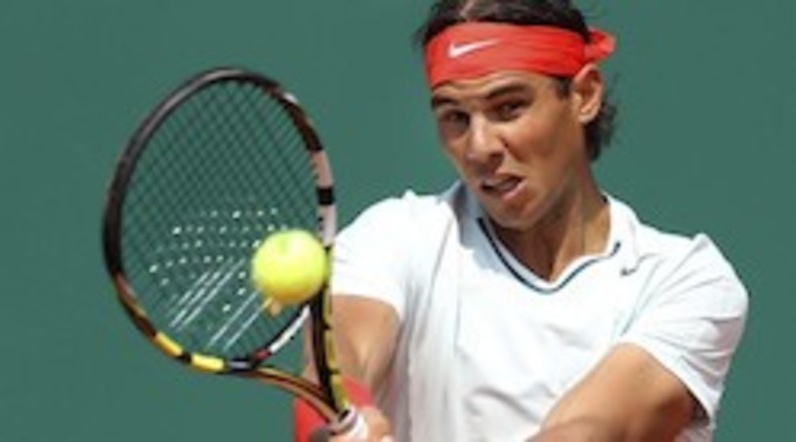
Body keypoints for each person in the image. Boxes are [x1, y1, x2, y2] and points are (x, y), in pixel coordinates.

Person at [296, 0, 749, 440]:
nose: (479, 147)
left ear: (584, 95)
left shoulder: (685, 281)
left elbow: (587, 431)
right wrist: (345, 417)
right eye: (455, 117)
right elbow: (337, 357)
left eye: (509, 107)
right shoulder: (395, 238)